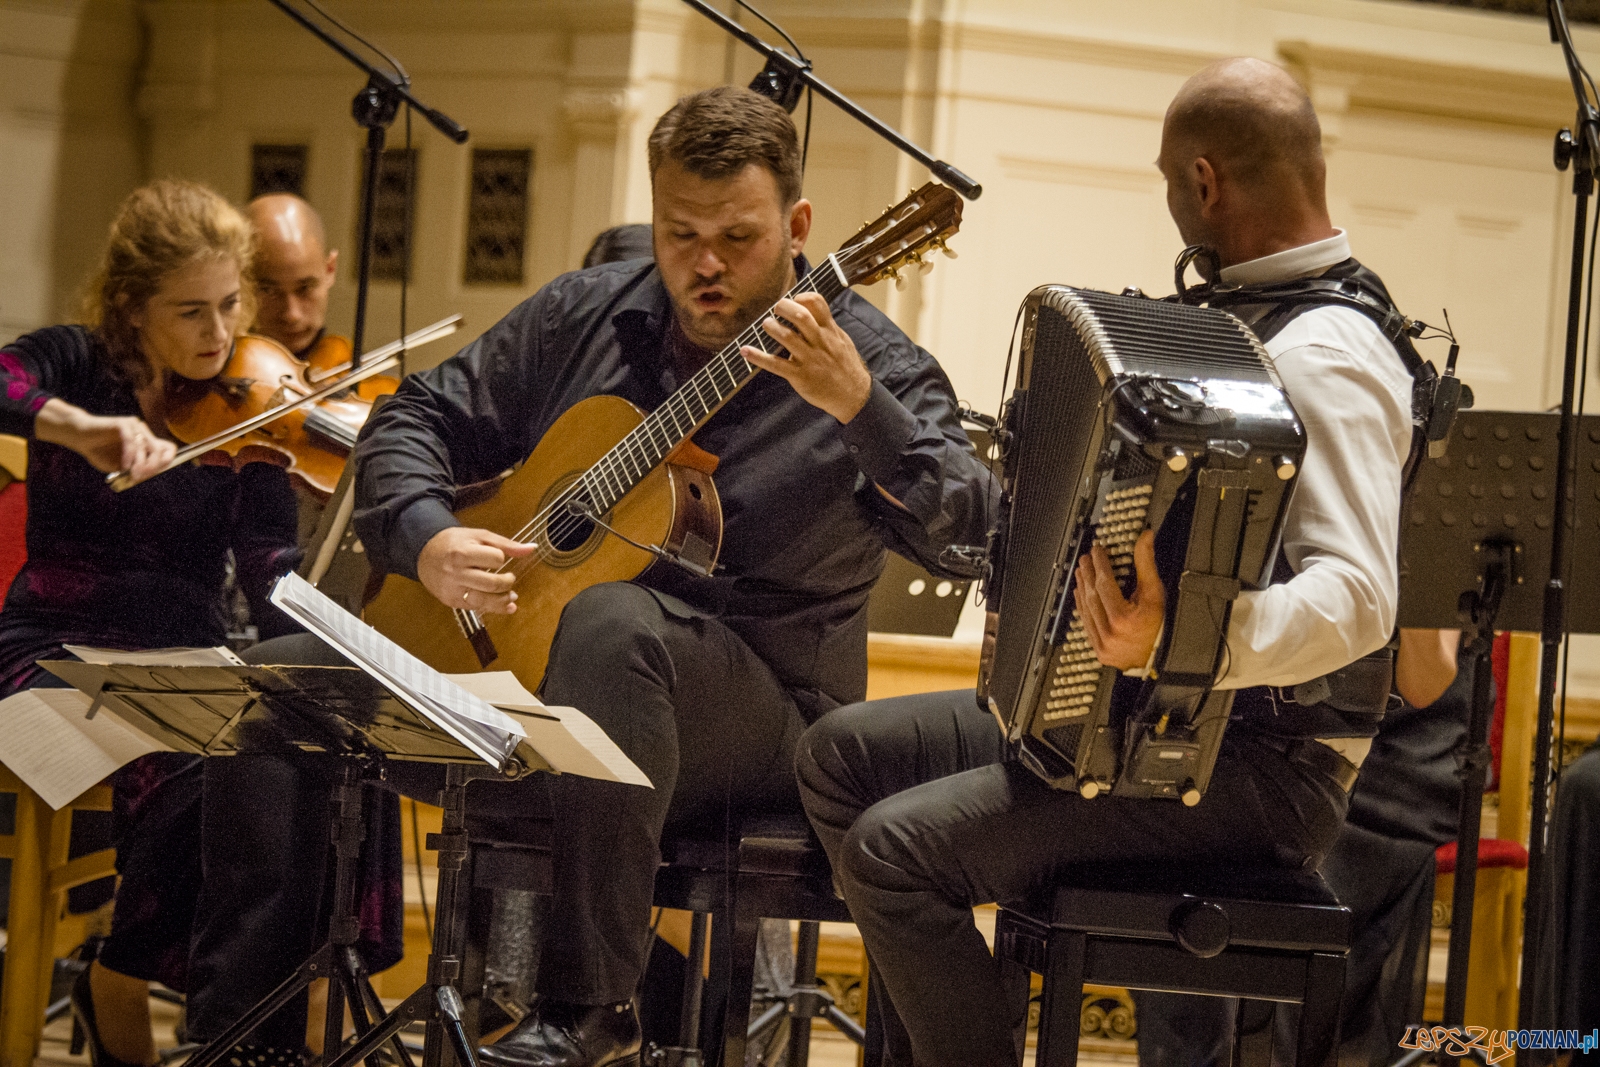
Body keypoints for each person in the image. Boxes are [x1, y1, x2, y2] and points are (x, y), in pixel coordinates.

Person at [182, 84, 992, 1067]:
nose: (703, 263)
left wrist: (862, 409)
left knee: (612, 624)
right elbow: (414, 416)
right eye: (678, 231)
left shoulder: (872, 363)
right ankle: (244, 1032)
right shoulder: (587, 314)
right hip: (535, 666)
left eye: (736, 237)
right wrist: (431, 535)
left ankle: (588, 1009)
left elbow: (975, 535)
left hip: (764, 704)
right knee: (279, 678)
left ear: (799, 226)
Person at [794, 56, 1417, 1067]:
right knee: (840, 756)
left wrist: (1185, 642)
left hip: (1262, 769)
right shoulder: (1244, 322)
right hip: (1158, 721)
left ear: (1204, 183)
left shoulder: (1327, 351)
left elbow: (1356, 600)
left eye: (1170, 179)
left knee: (894, 850)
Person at [0, 179, 303, 1067]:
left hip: (186, 653)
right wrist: (75, 429)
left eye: (230, 303)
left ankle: (237, 1013)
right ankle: (135, 980)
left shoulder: (251, 402)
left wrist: (318, 621)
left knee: (298, 748)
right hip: (52, 642)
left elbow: (267, 565)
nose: (219, 333)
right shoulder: (77, 361)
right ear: (133, 312)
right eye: (191, 312)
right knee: (187, 757)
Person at [1133, 628, 1472, 1067]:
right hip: (1282, 731)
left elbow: (1427, 681)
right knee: (1182, 859)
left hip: (1397, 757)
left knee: (1281, 876)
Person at [248, 194, 339, 359]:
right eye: (268, 291)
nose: (292, 315)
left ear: (330, 270)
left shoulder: (358, 377)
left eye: (306, 288)